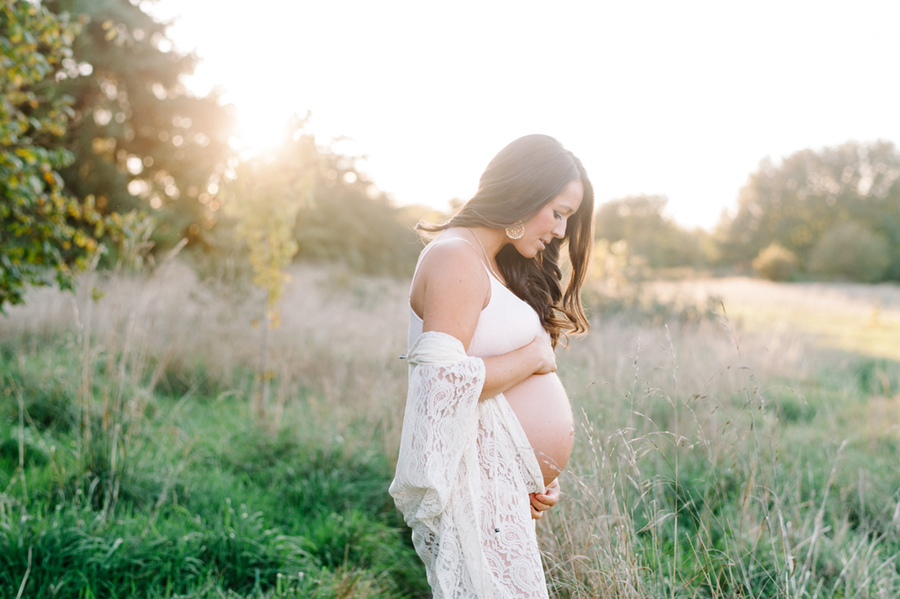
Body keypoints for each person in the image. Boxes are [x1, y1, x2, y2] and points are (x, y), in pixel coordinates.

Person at [389, 134, 594, 598]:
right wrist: (535, 356)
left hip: (503, 492)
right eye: (558, 212)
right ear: (524, 192)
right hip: (476, 492)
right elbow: (440, 385)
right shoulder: (454, 256)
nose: (561, 231)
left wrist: (537, 474)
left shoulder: (494, 263)